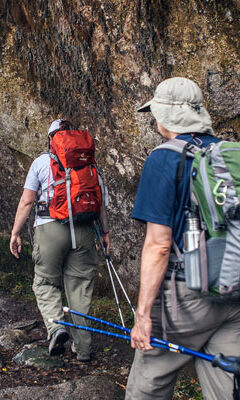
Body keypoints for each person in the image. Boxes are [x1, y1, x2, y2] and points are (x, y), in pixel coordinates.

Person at [126, 77, 240, 399]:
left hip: (187, 296)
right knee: (226, 385)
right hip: (234, 291)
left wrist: (143, 315)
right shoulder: (226, 154)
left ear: (167, 116)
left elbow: (159, 245)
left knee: (148, 382)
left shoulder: (164, 158)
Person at [10, 119, 110, 362]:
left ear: (50, 138)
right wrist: (105, 233)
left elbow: (26, 201)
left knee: (45, 283)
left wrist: (15, 233)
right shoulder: (90, 163)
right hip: (85, 231)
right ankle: (83, 350)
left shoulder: (41, 162)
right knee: (80, 290)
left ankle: (56, 329)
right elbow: (100, 203)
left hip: (50, 228)